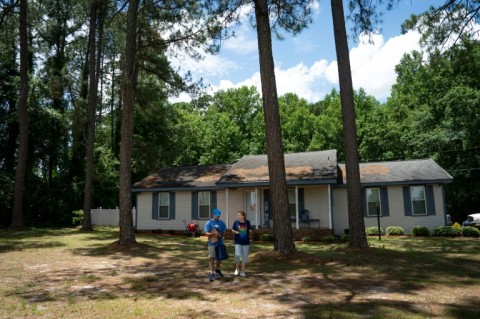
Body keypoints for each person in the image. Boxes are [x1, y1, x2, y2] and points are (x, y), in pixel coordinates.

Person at [204, 208, 227, 282]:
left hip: (220, 243)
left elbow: (225, 231)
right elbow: (206, 233)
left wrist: (222, 234)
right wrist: (214, 233)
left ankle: (217, 269)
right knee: (212, 257)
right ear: (213, 214)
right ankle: (212, 272)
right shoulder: (209, 222)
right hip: (212, 243)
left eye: (219, 216)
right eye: (216, 216)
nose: (218, 217)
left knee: (219, 258)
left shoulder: (221, 222)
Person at [231, 210, 252, 277]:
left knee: (244, 257)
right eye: (238, 215)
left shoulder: (247, 222)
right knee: (237, 255)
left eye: (239, 215)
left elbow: (249, 229)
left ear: (243, 216)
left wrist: (250, 230)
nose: (238, 216)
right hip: (238, 242)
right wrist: (235, 232)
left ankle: (242, 271)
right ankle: (237, 269)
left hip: (246, 242)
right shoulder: (236, 222)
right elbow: (233, 230)